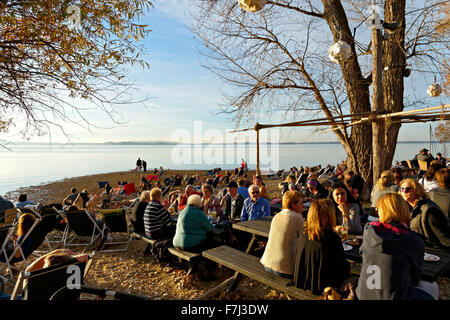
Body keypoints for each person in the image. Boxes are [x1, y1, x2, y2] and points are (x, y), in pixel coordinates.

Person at [356, 193, 439, 300]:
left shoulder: (369, 231)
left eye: (377, 210)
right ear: (404, 209)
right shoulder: (412, 239)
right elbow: (415, 277)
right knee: (432, 286)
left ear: (380, 212)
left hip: (364, 295)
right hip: (395, 296)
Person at [293, 199, 351, 295]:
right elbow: (341, 270)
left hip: (303, 281)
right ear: (330, 216)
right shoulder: (332, 238)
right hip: (323, 286)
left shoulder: (304, 233)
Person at [260, 191, 304, 279]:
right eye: (301, 203)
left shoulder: (277, 216)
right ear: (293, 204)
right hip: (284, 270)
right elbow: (305, 241)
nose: (302, 206)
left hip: (267, 263)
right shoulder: (298, 218)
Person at [400, 178, 450, 248]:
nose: (404, 192)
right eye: (402, 189)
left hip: (435, 251)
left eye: (407, 189)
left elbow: (443, 239)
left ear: (417, 190)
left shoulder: (429, 210)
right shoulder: (408, 207)